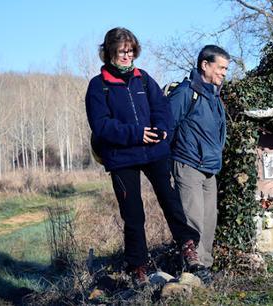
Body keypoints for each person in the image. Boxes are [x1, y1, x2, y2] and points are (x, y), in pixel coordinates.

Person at [85, 27, 200, 284]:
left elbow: (162, 110)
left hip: (154, 151)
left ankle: (187, 245)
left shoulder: (144, 79)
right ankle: (138, 267)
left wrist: (161, 132)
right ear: (109, 53)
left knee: (170, 200)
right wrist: (137, 134)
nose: (127, 57)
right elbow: (101, 126)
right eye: (121, 52)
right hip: (122, 156)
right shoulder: (98, 86)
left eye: (130, 51)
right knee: (134, 214)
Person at [169, 45, 230, 278]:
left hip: (210, 168)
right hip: (188, 164)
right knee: (192, 219)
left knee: (208, 220)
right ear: (205, 65)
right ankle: (191, 269)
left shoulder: (214, 95)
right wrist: (166, 166)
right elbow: (168, 127)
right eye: (220, 67)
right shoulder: (186, 93)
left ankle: (204, 267)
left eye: (226, 68)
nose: (224, 72)